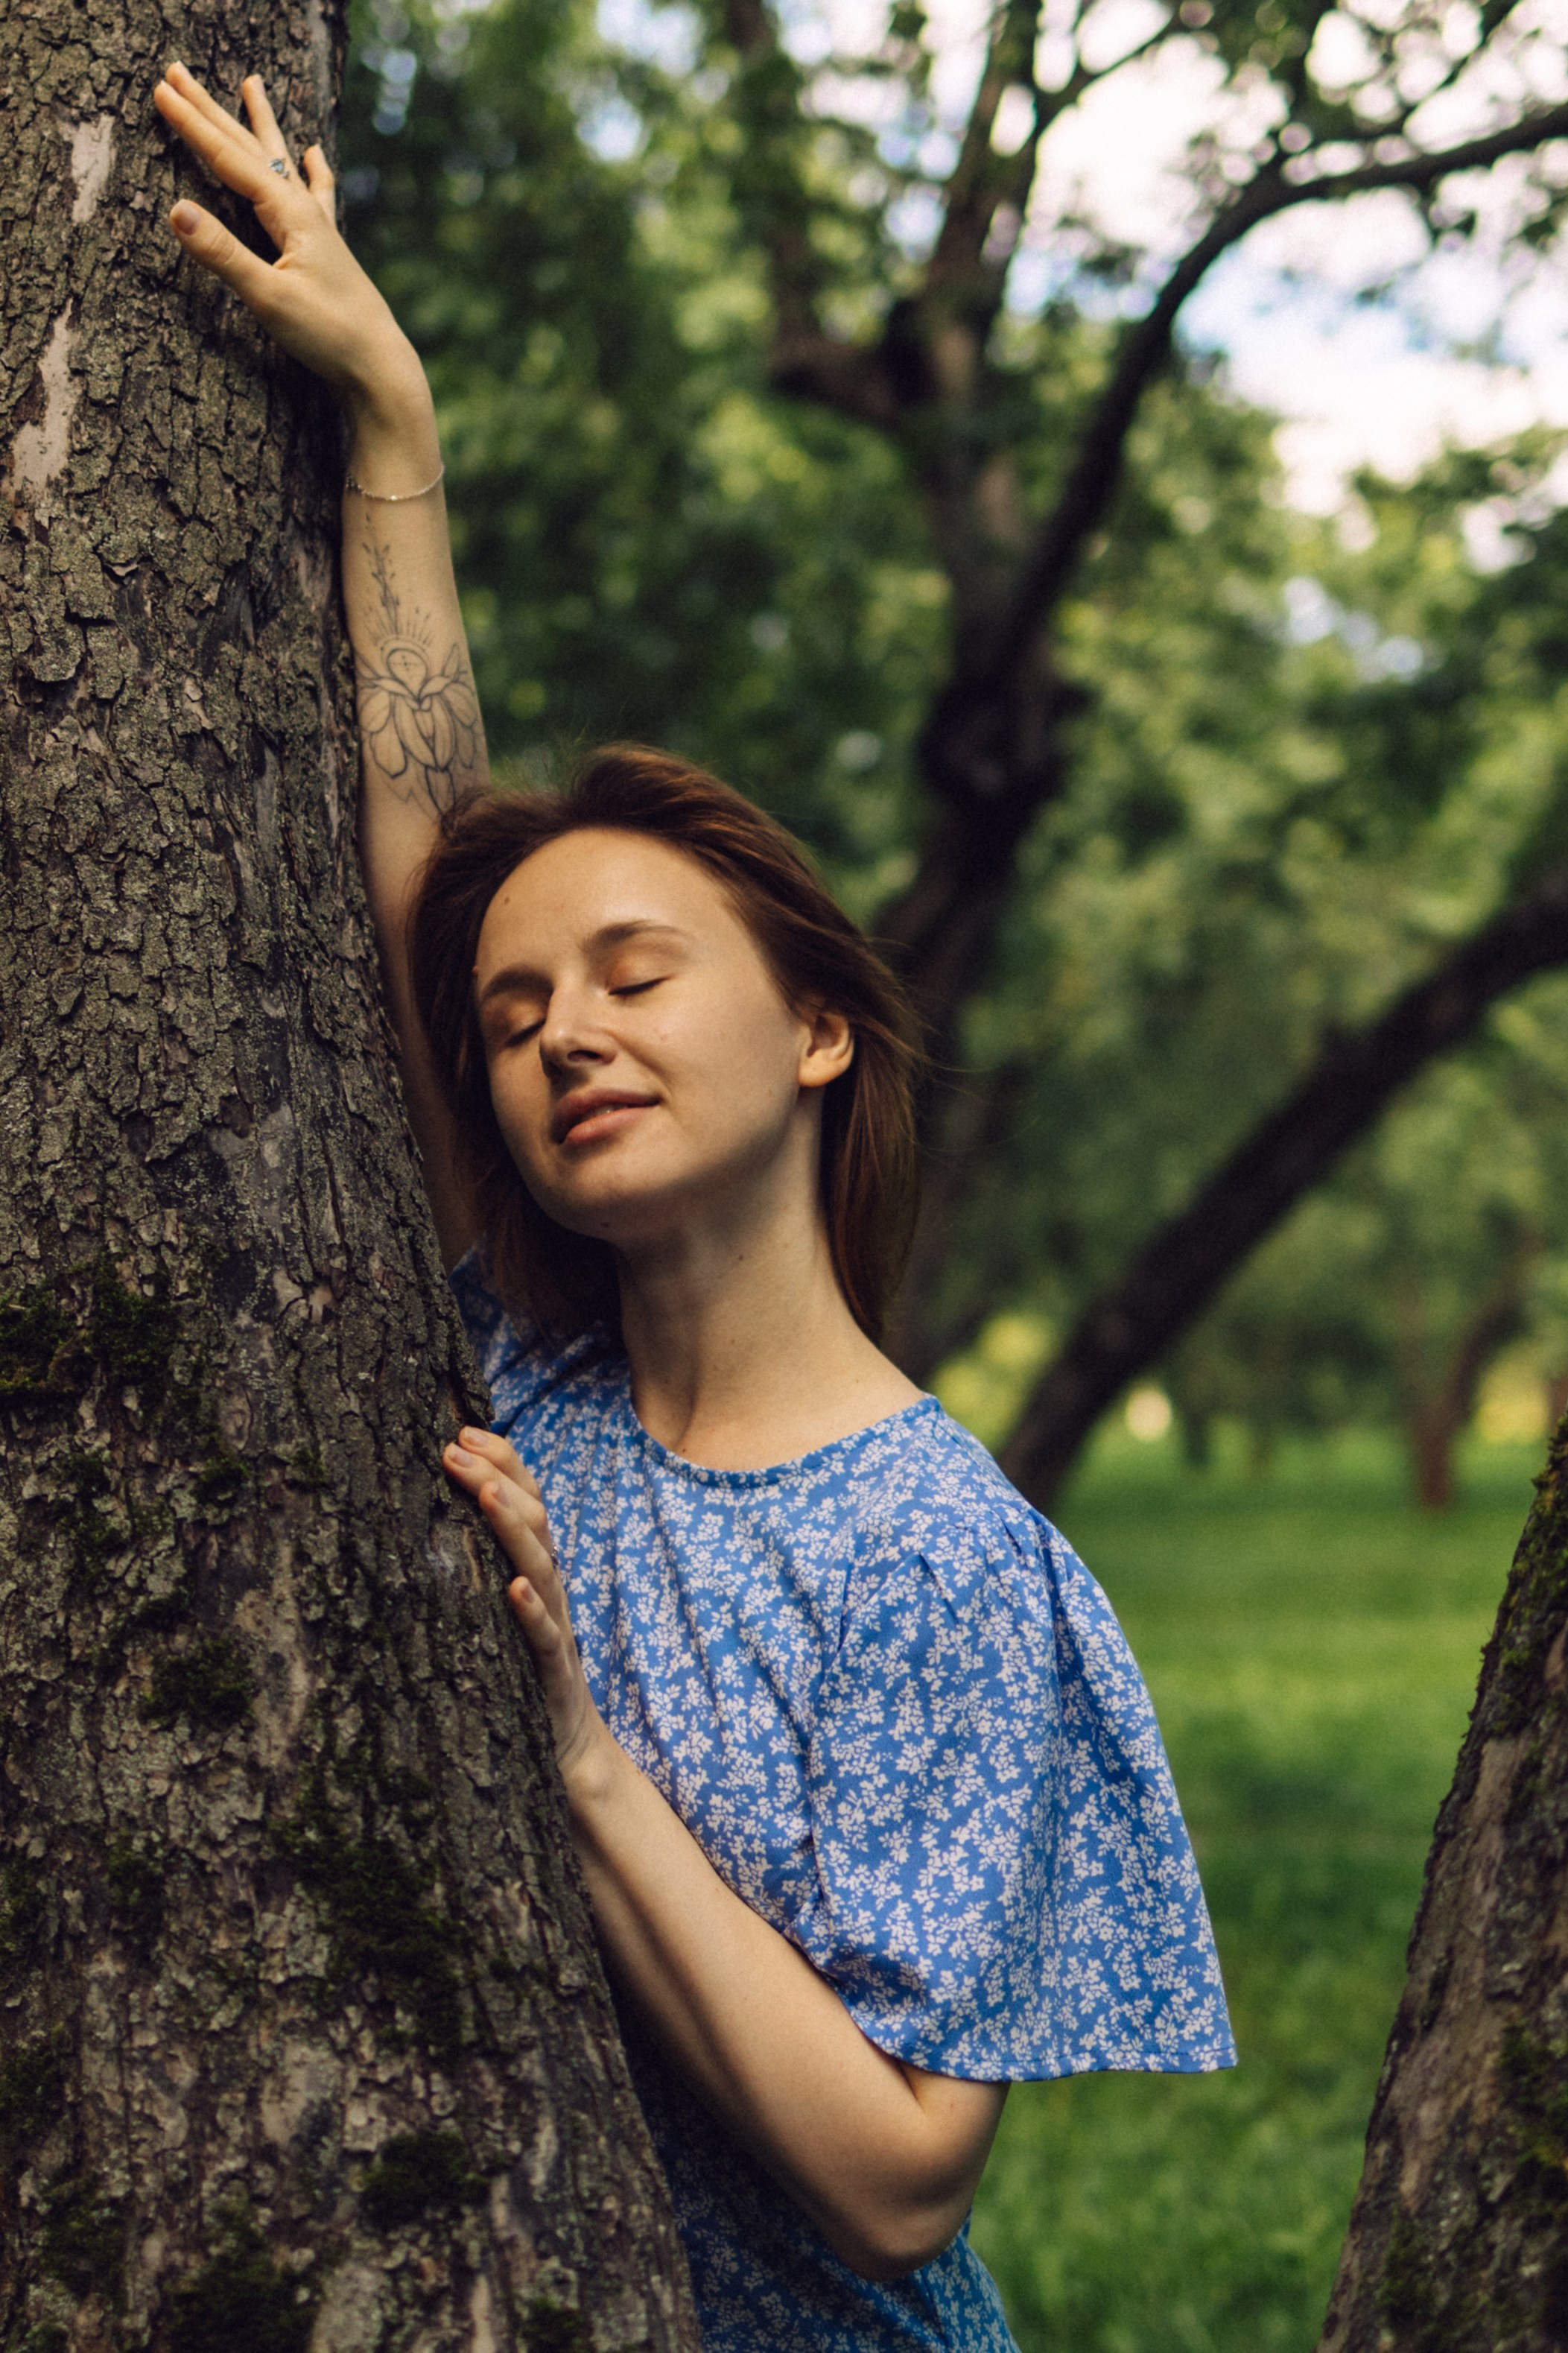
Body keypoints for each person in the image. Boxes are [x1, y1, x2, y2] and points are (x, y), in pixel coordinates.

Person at [152, 64, 1236, 2352]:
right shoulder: (520, 1362)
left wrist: (574, 1765)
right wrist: (391, 424)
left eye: (635, 975)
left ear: (818, 1031)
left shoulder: (937, 1550)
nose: (557, 1032)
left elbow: (897, 2184)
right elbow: (422, 841)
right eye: (522, 1012)